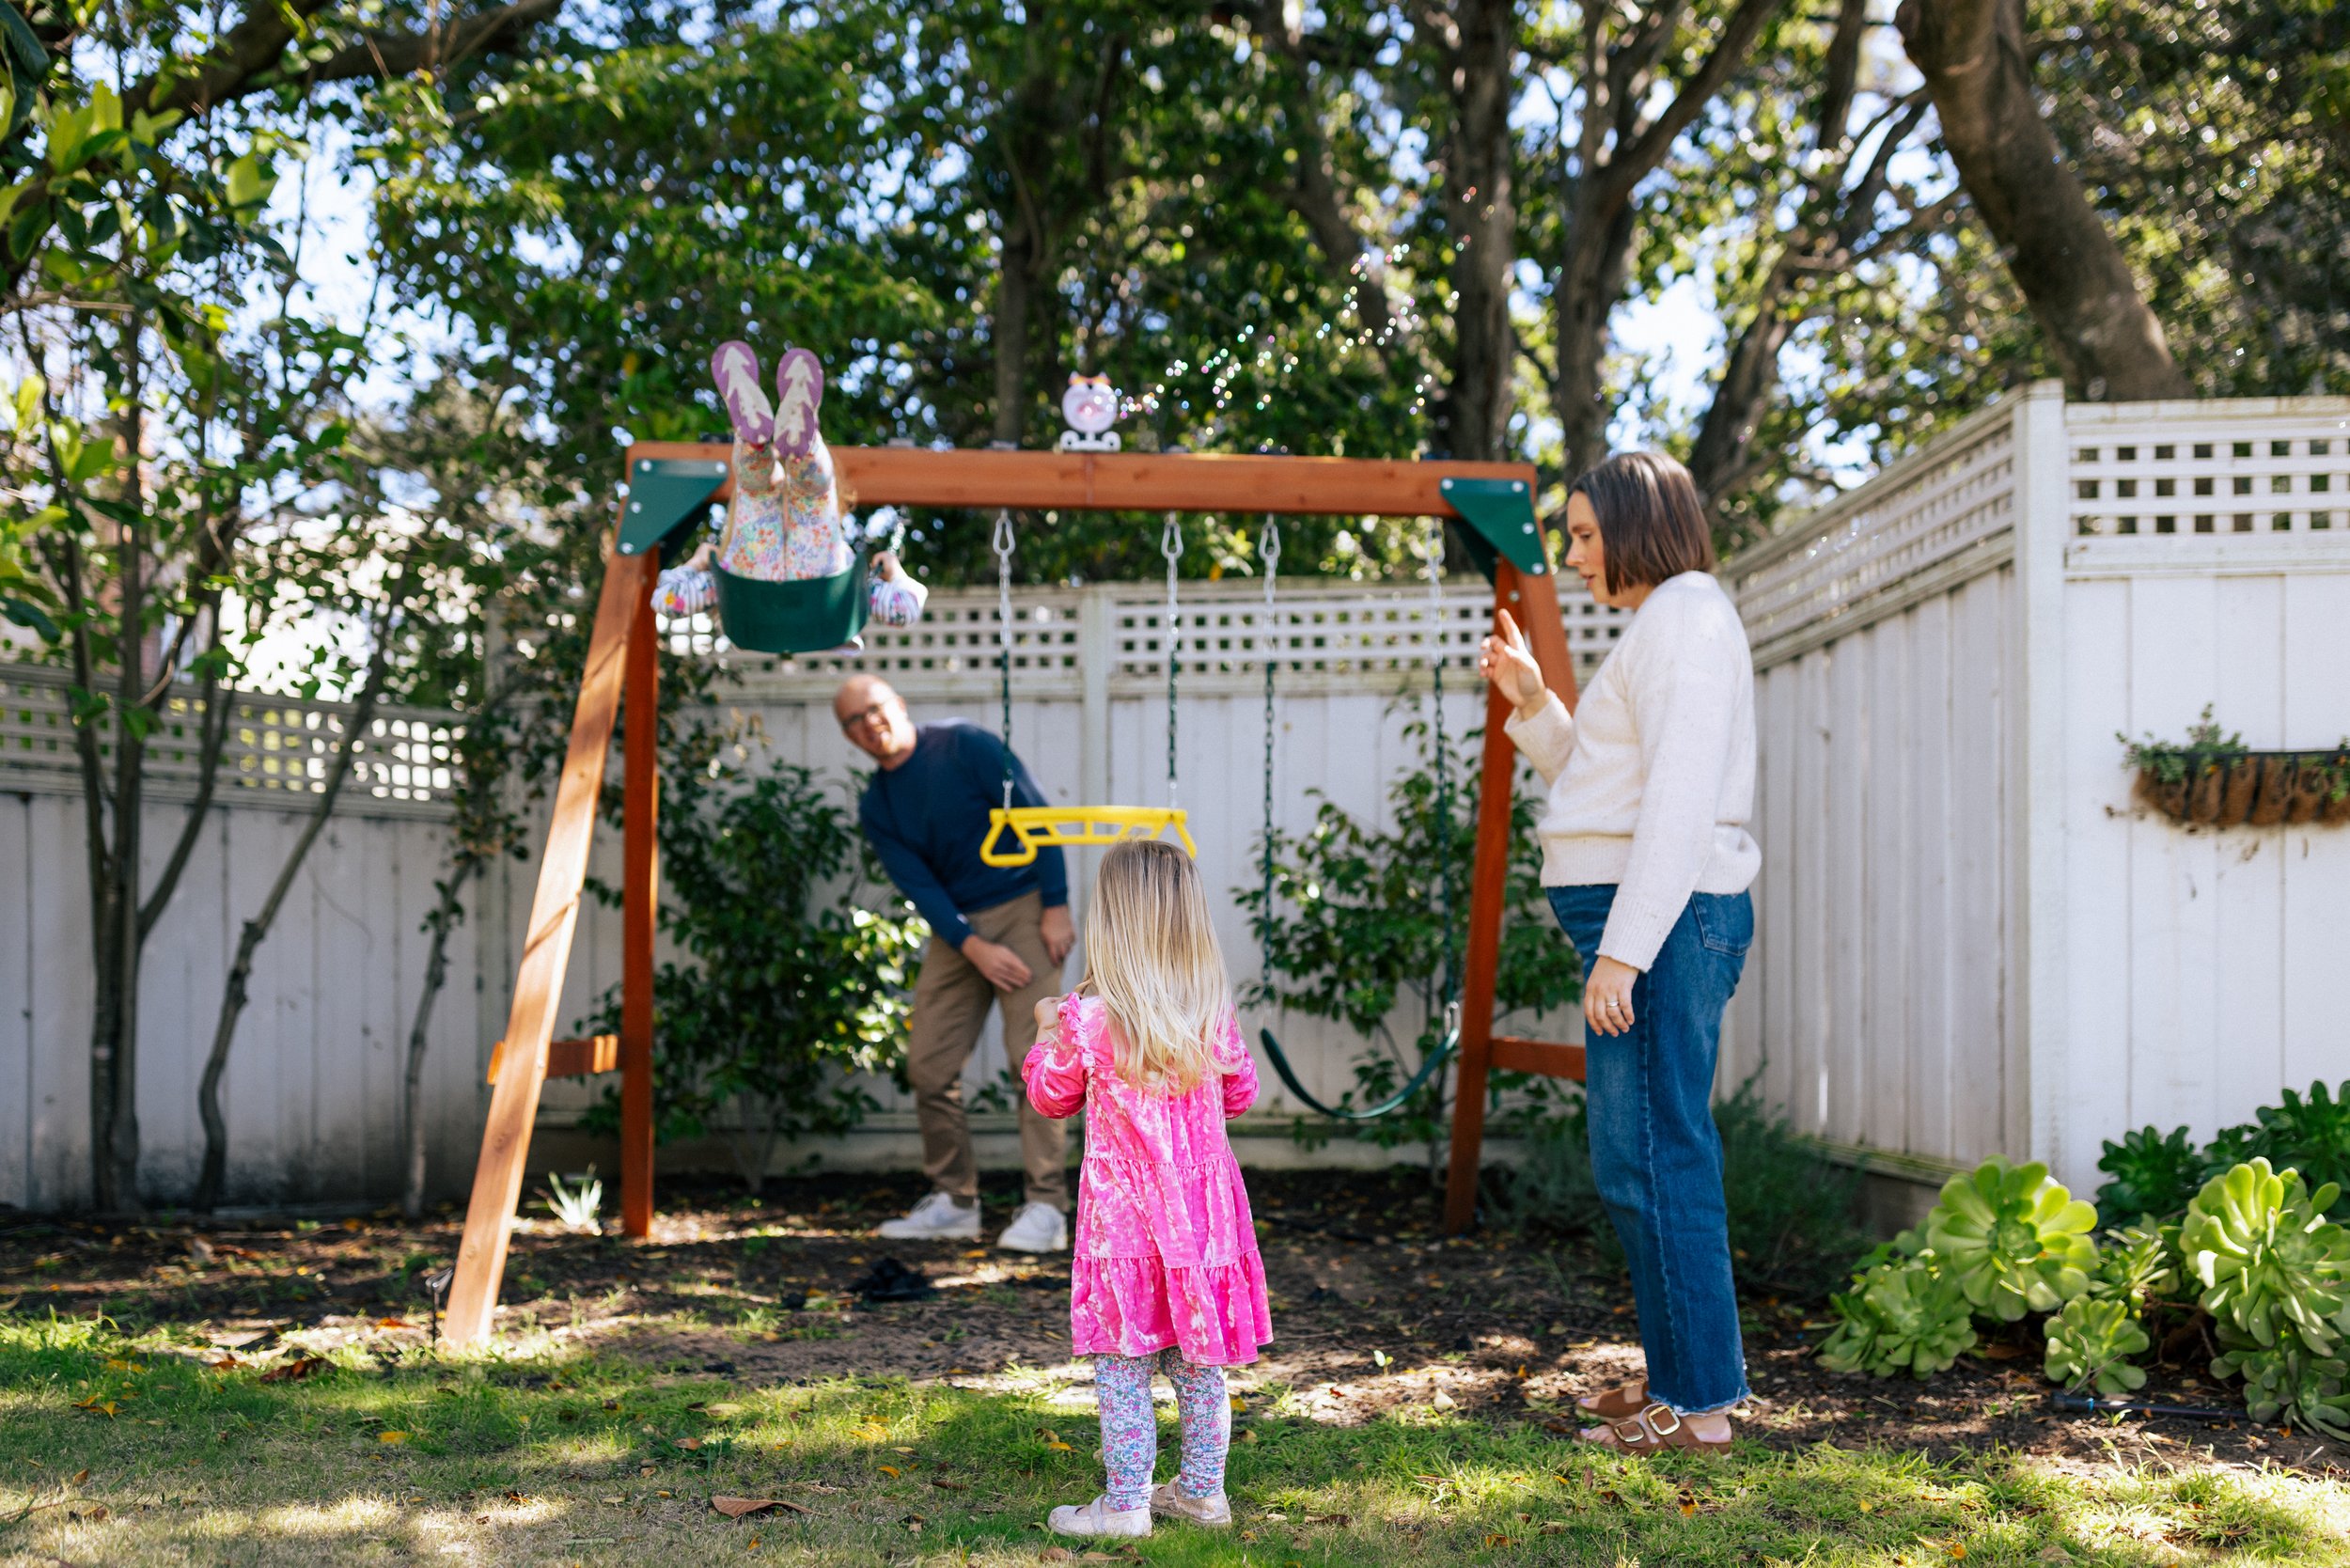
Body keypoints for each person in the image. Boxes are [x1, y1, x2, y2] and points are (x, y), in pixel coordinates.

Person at [1476, 450, 1759, 1456]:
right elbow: (1604, 779)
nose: (1577, 553)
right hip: (1657, 926)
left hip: (1665, 928)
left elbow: (1677, 809)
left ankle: (1701, 1411)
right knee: (1640, 1156)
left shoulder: (1684, 621)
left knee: (1652, 1157)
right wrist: (1531, 699)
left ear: (1644, 525)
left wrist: (1622, 955)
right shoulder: (1666, 624)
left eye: (1589, 533)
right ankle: (1685, 1380)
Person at [1020, 839, 1270, 1538]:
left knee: (1124, 1362)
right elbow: (1242, 1094)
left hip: (1125, 1226)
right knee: (1200, 1362)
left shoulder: (1088, 1019)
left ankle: (1127, 1504)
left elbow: (1050, 1097)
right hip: (1204, 1225)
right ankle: (1202, 1495)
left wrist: (1043, 1035)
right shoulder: (1210, 1014)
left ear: (1113, 922)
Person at [838, 672, 1074, 1252]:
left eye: (873, 708)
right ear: (849, 736)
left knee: (1038, 1060)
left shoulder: (965, 744)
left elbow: (1035, 814)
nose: (868, 724)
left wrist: (1056, 905)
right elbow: (920, 885)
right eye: (853, 721)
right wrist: (972, 945)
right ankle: (955, 1200)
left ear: (899, 703)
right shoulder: (878, 803)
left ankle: (1046, 1206)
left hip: (1024, 908)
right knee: (929, 1065)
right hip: (959, 929)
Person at [654, 340, 929, 631]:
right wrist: (895, 571)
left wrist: (697, 564)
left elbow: (666, 601)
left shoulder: (723, 583)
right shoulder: (849, 583)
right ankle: (801, 449)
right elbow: (905, 608)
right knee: (809, 499)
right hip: (822, 590)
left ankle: (757, 445)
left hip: (751, 579)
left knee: (759, 493)